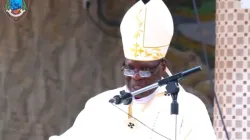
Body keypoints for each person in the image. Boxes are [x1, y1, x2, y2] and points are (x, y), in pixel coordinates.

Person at [49, 0, 217, 139]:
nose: (136, 77)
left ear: (163, 67)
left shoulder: (189, 108)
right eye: (130, 69)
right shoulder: (101, 105)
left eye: (145, 70)